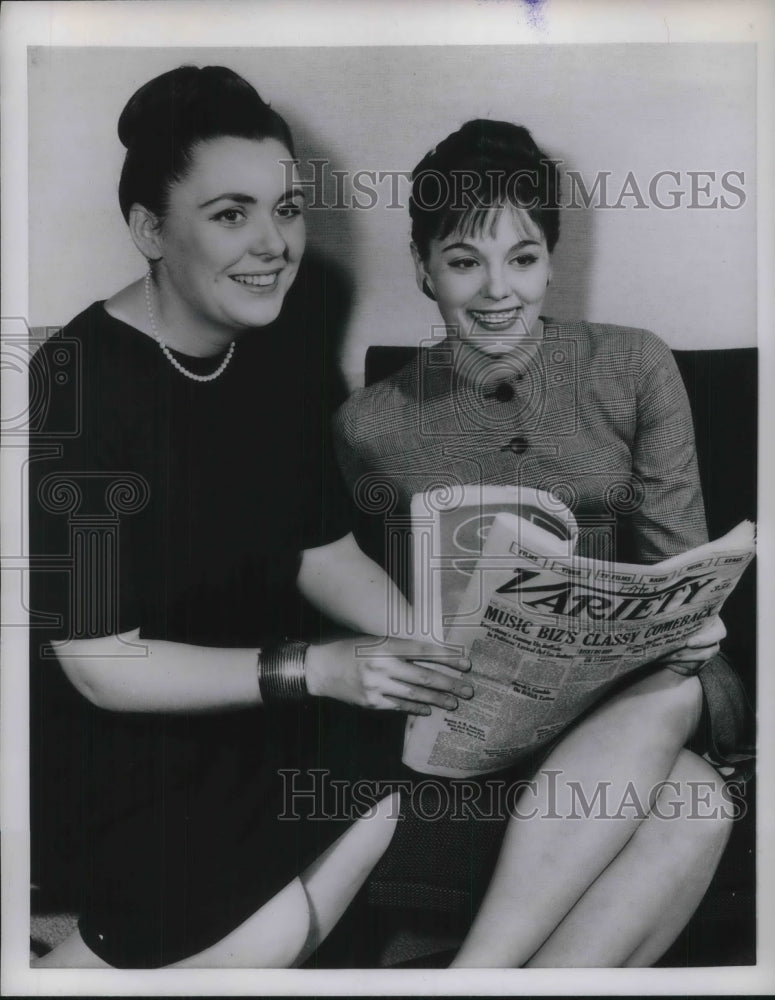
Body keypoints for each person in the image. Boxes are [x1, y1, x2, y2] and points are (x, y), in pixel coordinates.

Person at [27, 66, 474, 970]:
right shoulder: (79, 384)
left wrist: (440, 647)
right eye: (231, 214)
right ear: (149, 229)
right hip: (125, 732)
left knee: (404, 773)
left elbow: (320, 550)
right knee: (271, 924)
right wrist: (315, 667)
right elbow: (100, 663)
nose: (274, 244)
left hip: (259, 704)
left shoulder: (271, 341)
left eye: (287, 208)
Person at [333, 119, 753, 967]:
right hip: (489, 708)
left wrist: (694, 620)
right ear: (423, 270)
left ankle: (472, 977)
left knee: (673, 693)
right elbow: (394, 604)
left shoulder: (634, 365)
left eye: (521, 258)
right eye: (463, 261)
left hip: (651, 686)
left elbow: (683, 554)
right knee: (698, 807)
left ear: (549, 261)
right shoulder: (369, 425)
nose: (498, 291)